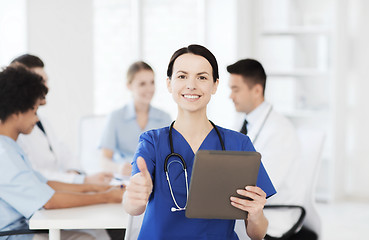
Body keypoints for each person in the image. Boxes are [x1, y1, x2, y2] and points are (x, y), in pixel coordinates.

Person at [123, 44, 276, 240]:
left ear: (215, 85)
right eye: (182, 76)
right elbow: (134, 207)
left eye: (202, 77)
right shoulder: (152, 142)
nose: (191, 85)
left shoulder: (239, 144)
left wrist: (256, 214)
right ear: (169, 84)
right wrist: (133, 196)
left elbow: (257, 233)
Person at [0, 66, 124, 240]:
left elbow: (46, 184)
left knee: (95, 234)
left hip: (27, 227)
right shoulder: (4, 154)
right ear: (17, 112)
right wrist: (106, 196)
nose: (37, 119)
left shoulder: (10, 147)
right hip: (14, 234)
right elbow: (49, 201)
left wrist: (97, 187)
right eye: (34, 111)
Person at [227, 59, 312, 239]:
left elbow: (264, 187)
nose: (230, 96)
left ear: (257, 90)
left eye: (235, 90)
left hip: (275, 214)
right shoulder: (243, 121)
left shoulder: (280, 130)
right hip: (251, 208)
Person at [10, 54, 112, 185]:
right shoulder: (14, 128)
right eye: (40, 81)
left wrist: (75, 173)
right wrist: (80, 180)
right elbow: (32, 173)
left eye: (46, 81)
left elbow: (64, 153)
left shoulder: (43, 121)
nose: (46, 88)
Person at [99, 61, 171, 176]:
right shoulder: (116, 117)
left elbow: (170, 157)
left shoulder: (164, 118)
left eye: (152, 82)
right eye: (142, 84)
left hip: (155, 180)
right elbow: (104, 160)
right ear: (129, 85)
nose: (149, 89)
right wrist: (118, 168)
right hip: (125, 180)